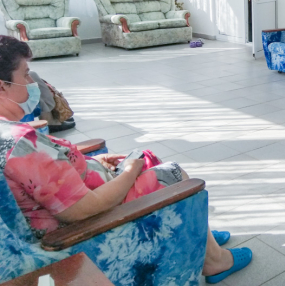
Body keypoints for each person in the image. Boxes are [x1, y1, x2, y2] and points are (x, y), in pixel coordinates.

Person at [0, 35, 251, 284]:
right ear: (2, 86)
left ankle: (200, 236)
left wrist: (89, 161)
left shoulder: (10, 134)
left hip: (86, 189)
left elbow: (49, 171)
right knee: (174, 174)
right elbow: (83, 210)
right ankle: (215, 261)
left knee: (148, 158)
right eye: (26, 74)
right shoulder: (21, 144)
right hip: (86, 220)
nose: (32, 82)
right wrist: (130, 171)